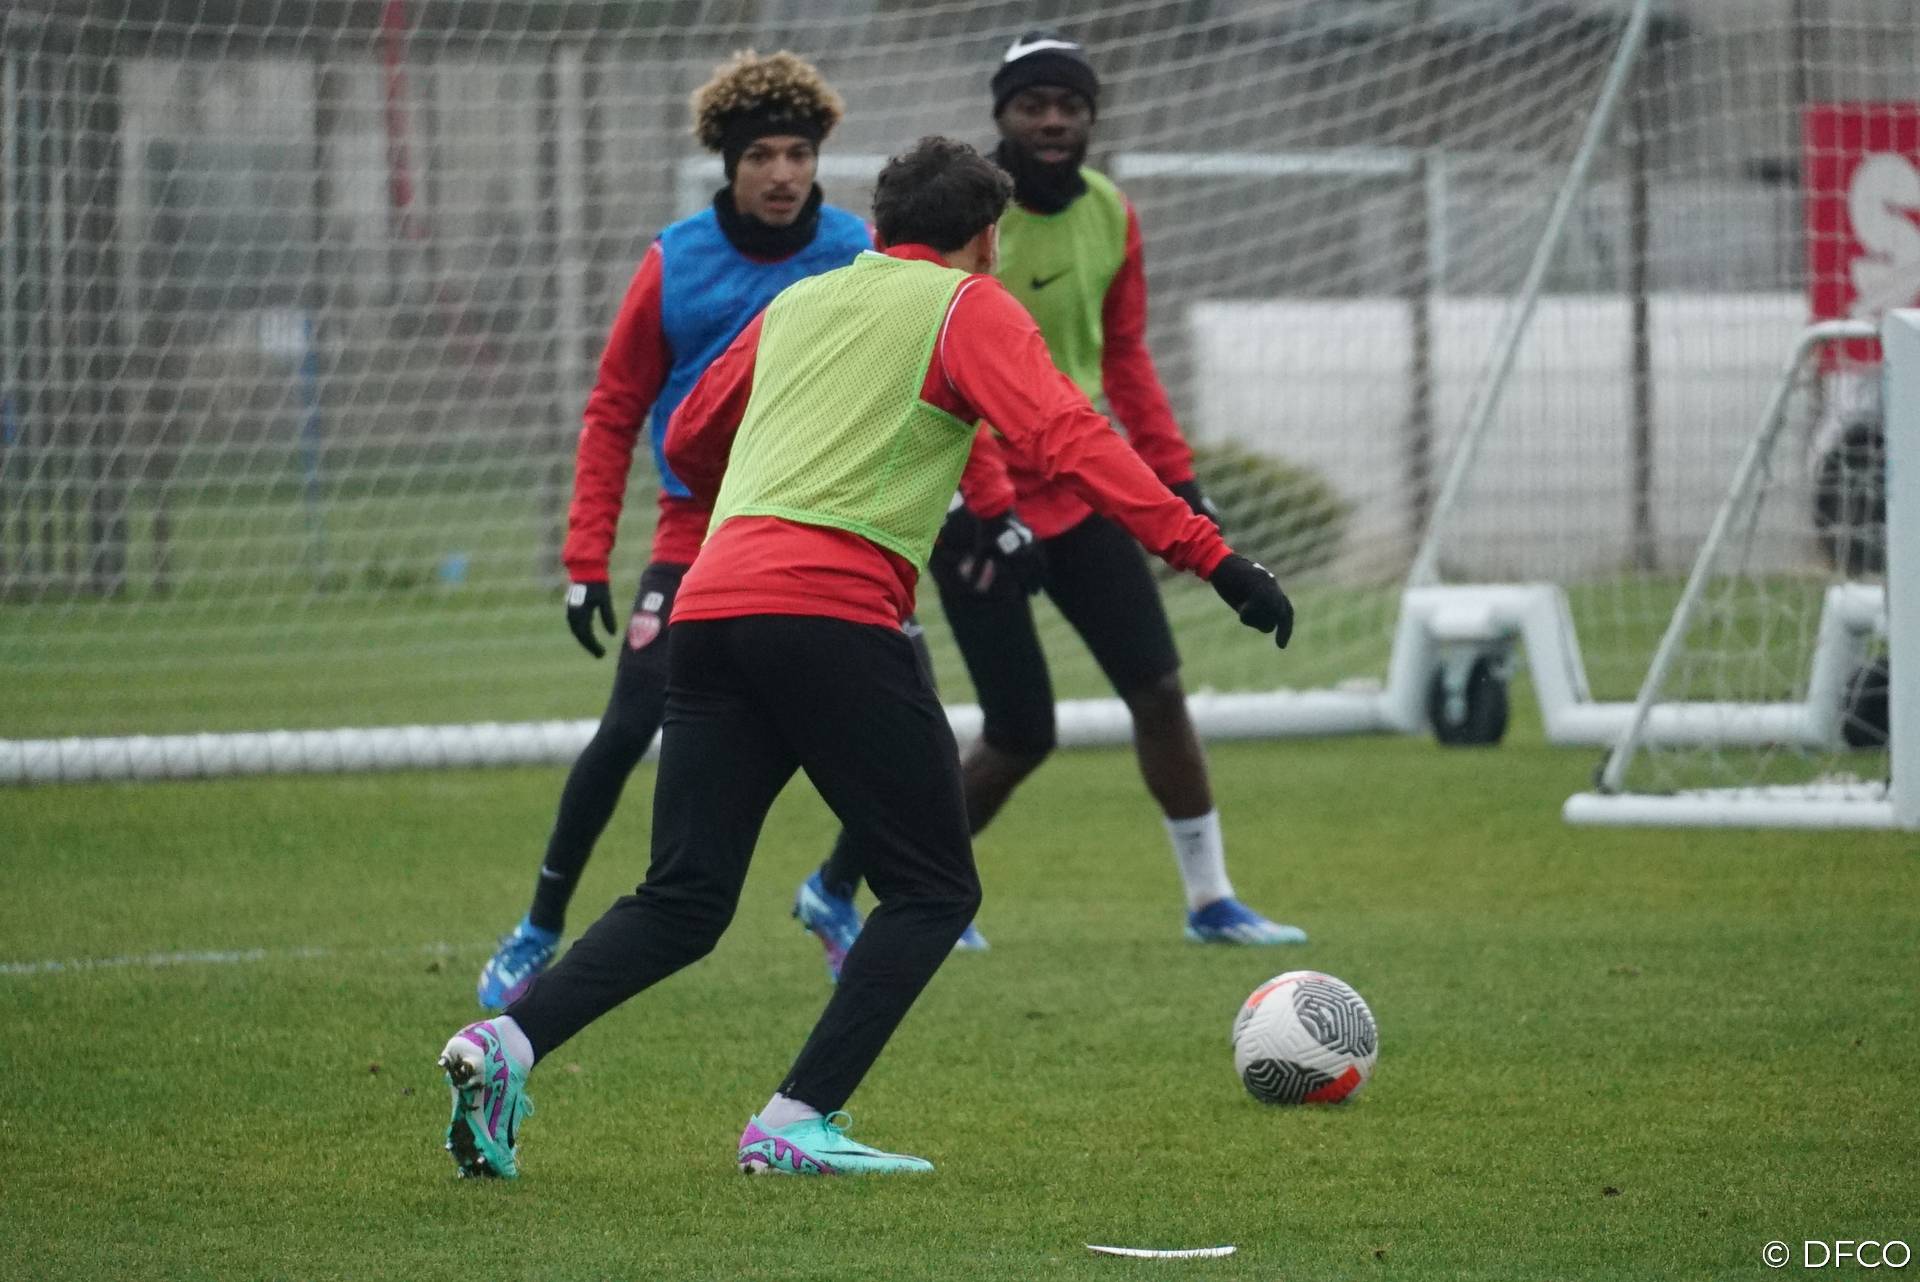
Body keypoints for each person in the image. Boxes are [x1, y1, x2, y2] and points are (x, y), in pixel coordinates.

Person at [435, 135, 1296, 1180]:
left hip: (712, 606)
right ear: (987, 238)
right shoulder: (969, 305)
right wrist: (1214, 557)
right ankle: (795, 1119)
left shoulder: (800, 303)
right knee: (933, 889)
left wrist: (790, 450)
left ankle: (506, 1042)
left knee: (684, 897)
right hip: (830, 613)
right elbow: (1069, 437)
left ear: (879, 230)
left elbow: (690, 437)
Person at [798, 31, 1307, 949]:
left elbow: (1125, 357)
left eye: (1069, 105)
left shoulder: (1113, 213)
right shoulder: (961, 221)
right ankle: (846, 885)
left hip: (1079, 489)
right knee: (1020, 731)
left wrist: (1178, 478)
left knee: (1158, 689)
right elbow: (932, 362)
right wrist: (988, 506)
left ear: (1092, 118)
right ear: (1001, 115)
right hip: (971, 501)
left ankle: (1211, 899)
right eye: (1033, 104)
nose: (1052, 120)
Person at [476, 50, 921, 1008]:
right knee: (630, 724)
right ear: (727, 162)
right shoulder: (674, 261)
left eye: (798, 153)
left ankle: (838, 894)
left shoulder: (859, 252)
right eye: (761, 155)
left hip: (824, 531)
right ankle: (538, 929)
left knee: (905, 715)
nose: (782, 174)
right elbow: (612, 411)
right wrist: (585, 560)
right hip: (696, 537)